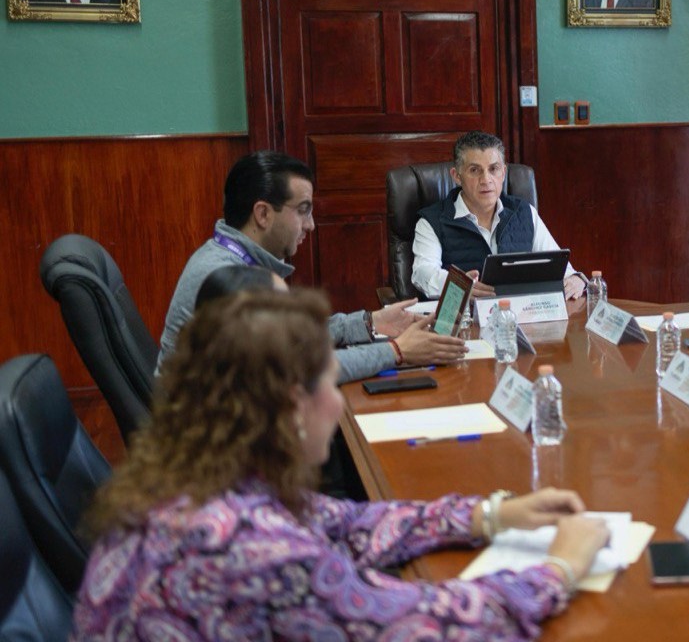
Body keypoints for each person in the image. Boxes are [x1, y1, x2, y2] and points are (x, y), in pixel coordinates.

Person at [73, 289, 610, 639]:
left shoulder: (197, 477)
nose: (339, 402)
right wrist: (558, 569)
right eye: (330, 384)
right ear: (289, 404)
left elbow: (348, 524)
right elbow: (428, 626)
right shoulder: (251, 545)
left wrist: (491, 516)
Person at [159, 150, 466, 383]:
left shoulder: (235, 259)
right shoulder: (228, 279)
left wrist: (371, 322)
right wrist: (397, 351)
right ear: (263, 214)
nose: (312, 225)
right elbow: (304, 370)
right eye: (303, 211)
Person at [412, 131, 587, 300]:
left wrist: (577, 280)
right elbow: (422, 273)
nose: (486, 179)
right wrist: (460, 284)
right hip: (464, 321)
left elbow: (559, 266)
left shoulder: (524, 213)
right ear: (457, 176)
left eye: (493, 169)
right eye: (474, 170)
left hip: (520, 318)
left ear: (503, 172)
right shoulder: (432, 221)